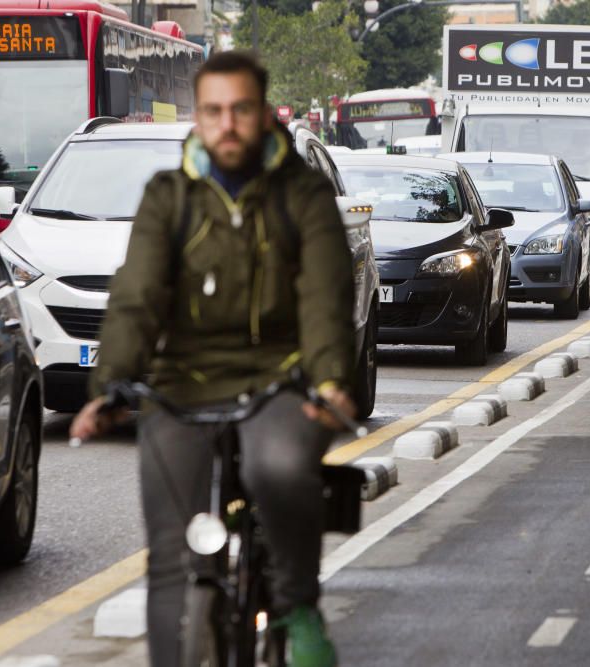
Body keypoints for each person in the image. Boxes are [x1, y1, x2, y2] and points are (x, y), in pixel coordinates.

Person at [69, 51, 356, 667]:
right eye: (214, 111)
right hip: (183, 382)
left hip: (278, 378)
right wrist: (111, 383)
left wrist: (330, 381)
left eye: (241, 110)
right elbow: (137, 293)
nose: (227, 124)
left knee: (281, 471)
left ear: (264, 114)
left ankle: (296, 604)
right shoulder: (168, 197)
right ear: (198, 117)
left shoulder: (300, 194)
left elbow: (324, 297)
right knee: (169, 554)